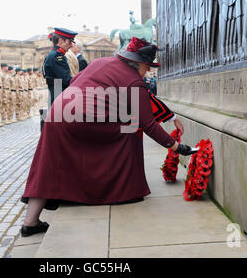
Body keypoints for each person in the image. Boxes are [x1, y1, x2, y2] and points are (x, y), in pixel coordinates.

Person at [20, 37, 196, 237]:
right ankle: (125, 191)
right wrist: (175, 147)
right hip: (83, 118)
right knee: (130, 131)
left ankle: (30, 222)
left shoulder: (100, 63)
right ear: (138, 64)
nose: (148, 72)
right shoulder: (134, 81)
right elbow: (147, 124)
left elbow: (75, 81)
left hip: (58, 113)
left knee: (47, 166)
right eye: (147, 67)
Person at [43, 28, 78, 105]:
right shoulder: (57, 56)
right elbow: (67, 80)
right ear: (61, 41)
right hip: (59, 95)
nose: (71, 45)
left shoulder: (55, 54)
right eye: (69, 41)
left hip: (57, 92)